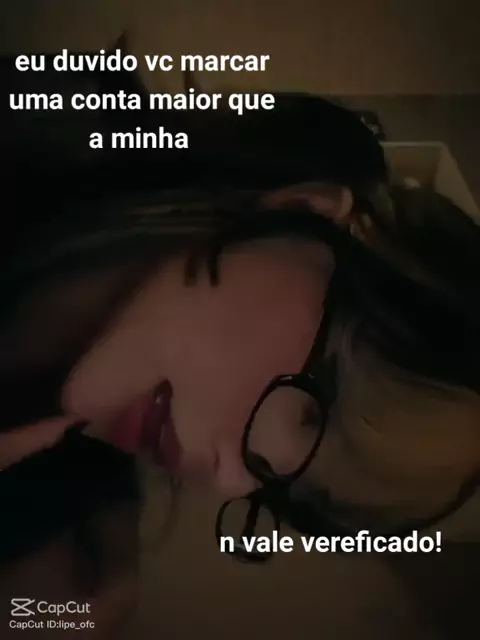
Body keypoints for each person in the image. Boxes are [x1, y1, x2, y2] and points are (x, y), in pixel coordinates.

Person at [1, 96, 479, 635]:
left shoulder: (64, 555)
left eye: (282, 491)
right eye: (310, 412)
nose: (229, 479)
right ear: (303, 212)